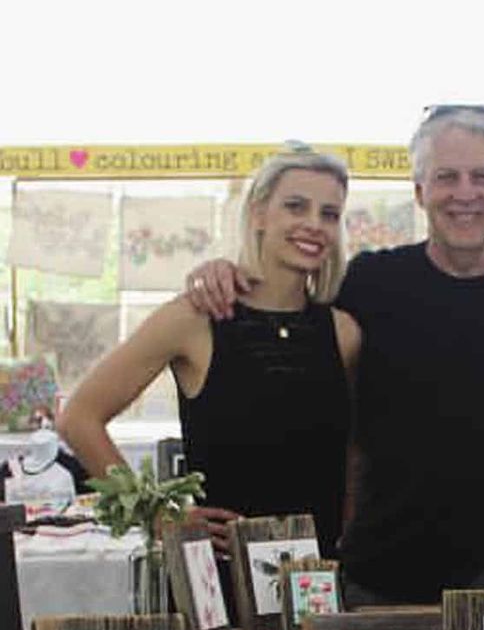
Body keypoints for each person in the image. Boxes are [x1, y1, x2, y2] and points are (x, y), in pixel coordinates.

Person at [187, 107, 484, 603]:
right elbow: (287, 318)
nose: (465, 193)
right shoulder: (370, 282)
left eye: (482, 176)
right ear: (418, 190)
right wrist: (225, 271)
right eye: (446, 177)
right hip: (379, 565)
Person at [58, 147, 360, 559]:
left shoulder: (344, 333)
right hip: (216, 576)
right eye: (295, 206)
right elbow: (79, 418)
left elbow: (356, 449)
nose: (313, 224)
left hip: (319, 576)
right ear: (257, 213)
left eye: (329, 214)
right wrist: (156, 515)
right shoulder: (194, 319)